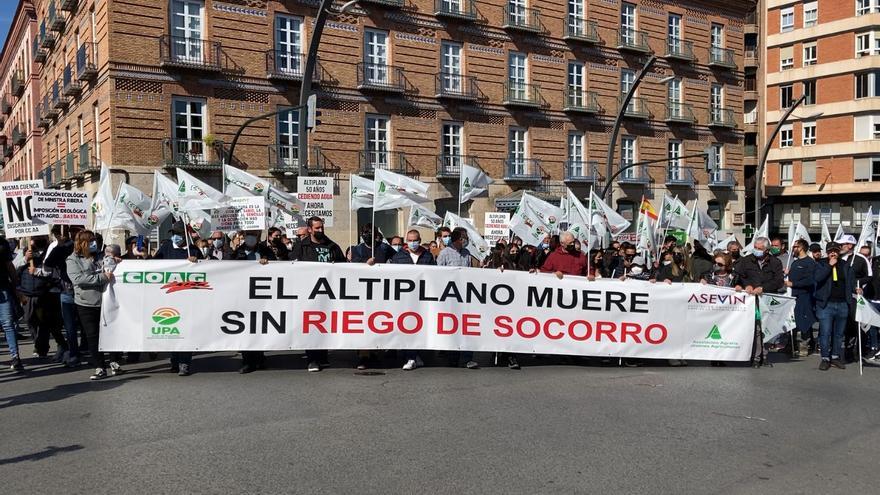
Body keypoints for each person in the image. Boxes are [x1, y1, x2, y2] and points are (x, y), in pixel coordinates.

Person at [290, 216, 346, 372]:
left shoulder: (332, 246)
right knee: (312, 325)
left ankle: (322, 356)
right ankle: (312, 359)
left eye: (322, 227)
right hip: (309, 293)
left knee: (325, 324)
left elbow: (344, 266)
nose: (320, 230)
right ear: (309, 229)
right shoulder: (301, 246)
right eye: (317, 228)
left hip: (329, 293)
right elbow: (291, 266)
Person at [67, 230, 119, 380]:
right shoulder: (72, 260)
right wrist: (102, 277)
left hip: (105, 301)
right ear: (83, 243)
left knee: (110, 332)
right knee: (93, 335)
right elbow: (78, 279)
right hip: (86, 303)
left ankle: (114, 361)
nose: (94, 244)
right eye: (91, 241)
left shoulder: (100, 256)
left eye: (95, 241)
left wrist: (116, 261)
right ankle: (100, 366)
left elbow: (110, 265)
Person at [152, 222, 202, 376]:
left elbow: (205, 269)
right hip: (169, 297)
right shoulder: (166, 247)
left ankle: (185, 363)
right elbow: (152, 265)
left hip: (188, 297)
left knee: (186, 331)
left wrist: (196, 261)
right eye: (174, 233)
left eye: (179, 234)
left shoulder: (193, 250)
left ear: (185, 236)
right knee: (173, 330)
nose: (175, 236)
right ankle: (174, 361)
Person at [734, 236, 785, 368]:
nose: (757, 250)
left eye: (760, 249)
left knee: (766, 328)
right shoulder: (746, 261)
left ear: (767, 250)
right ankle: (756, 356)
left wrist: (763, 288)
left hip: (767, 299)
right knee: (756, 328)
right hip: (751, 300)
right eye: (755, 248)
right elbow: (739, 277)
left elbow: (779, 281)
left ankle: (765, 355)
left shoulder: (775, 262)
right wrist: (746, 285)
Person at [388, 230, 435, 371]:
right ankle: (411, 357)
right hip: (405, 299)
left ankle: (414, 355)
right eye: (409, 240)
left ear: (419, 240)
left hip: (422, 299)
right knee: (408, 326)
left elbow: (434, 274)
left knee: (419, 327)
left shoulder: (427, 256)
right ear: (406, 241)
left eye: (415, 240)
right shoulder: (398, 257)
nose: (412, 243)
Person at [19, 236, 68, 361]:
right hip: (27, 293)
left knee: (45, 322)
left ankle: (42, 347)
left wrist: (38, 271)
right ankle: (38, 343)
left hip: (44, 292)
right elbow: (14, 268)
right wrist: (25, 258)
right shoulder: (25, 251)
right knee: (30, 320)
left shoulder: (49, 252)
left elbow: (53, 272)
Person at [436, 227, 478, 369]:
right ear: (458, 239)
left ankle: (467, 358)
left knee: (467, 327)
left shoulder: (466, 253)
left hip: (465, 297)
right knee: (452, 327)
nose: (466, 240)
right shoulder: (444, 254)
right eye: (464, 237)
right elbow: (437, 275)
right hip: (450, 298)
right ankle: (452, 357)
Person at [813, 242, 857, 371]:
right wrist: (829, 265)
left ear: (839, 252)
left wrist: (856, 288)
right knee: (825, 333)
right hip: (826, 304)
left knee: (839, 334)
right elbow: (817, 278)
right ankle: (825, 358)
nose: (833, 253)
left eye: (835, 251)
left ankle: (835, 356)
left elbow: (851, 282)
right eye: (831, 251)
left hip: (843, 303)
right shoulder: (820, 263)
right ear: (827, 252)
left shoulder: (845, 265)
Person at [786, 239, 817, 357]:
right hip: (793, 296)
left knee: (804, 321)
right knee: (794, 320)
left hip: (804, 296)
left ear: (801, 248)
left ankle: (805, 345)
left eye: (795, 247)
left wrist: (793, 284)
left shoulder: (810, 263)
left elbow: (810, 280)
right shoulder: (795, 262)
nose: (793, 249)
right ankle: (792, 344)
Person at [0, 236, 24, 371]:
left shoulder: (2, 243)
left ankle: (15, 357)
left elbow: (9, 266)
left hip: (3, 288)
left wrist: (17, 287)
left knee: (8, 324)